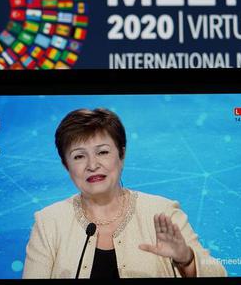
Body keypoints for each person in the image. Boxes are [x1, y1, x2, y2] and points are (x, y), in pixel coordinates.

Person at [22, 108, 227, 278]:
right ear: (66, 165)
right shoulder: (49, 222)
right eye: (79, 156)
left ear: (122, 154)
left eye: (102, 152)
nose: (92, 165)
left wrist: (187, 259)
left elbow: (219, 274)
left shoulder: (162, 212)